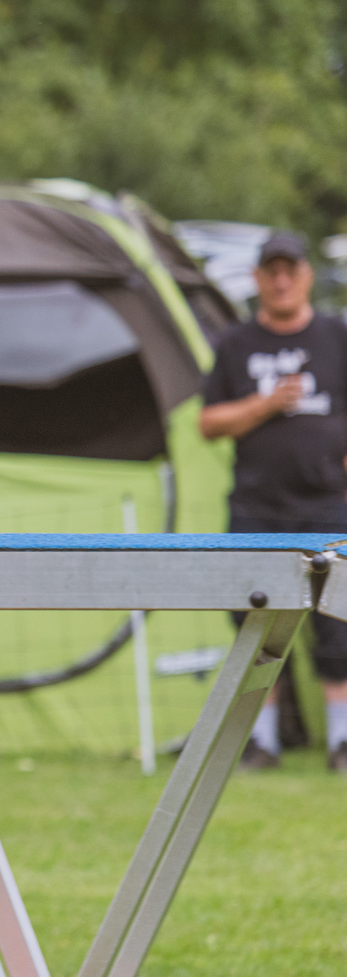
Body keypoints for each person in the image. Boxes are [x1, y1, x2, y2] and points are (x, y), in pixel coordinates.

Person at [200, 230, 347, 771]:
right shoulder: (235, 345)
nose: (281, 280)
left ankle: (342, 743)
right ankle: (261, 743)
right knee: (255, 620)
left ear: (306, 275)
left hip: (329, 504)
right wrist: (266, 404)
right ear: (258, 279)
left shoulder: (337, 336)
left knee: (339, 623)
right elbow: (208, 423)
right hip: (257, 509)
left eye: (291, 269)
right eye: (271, 271)